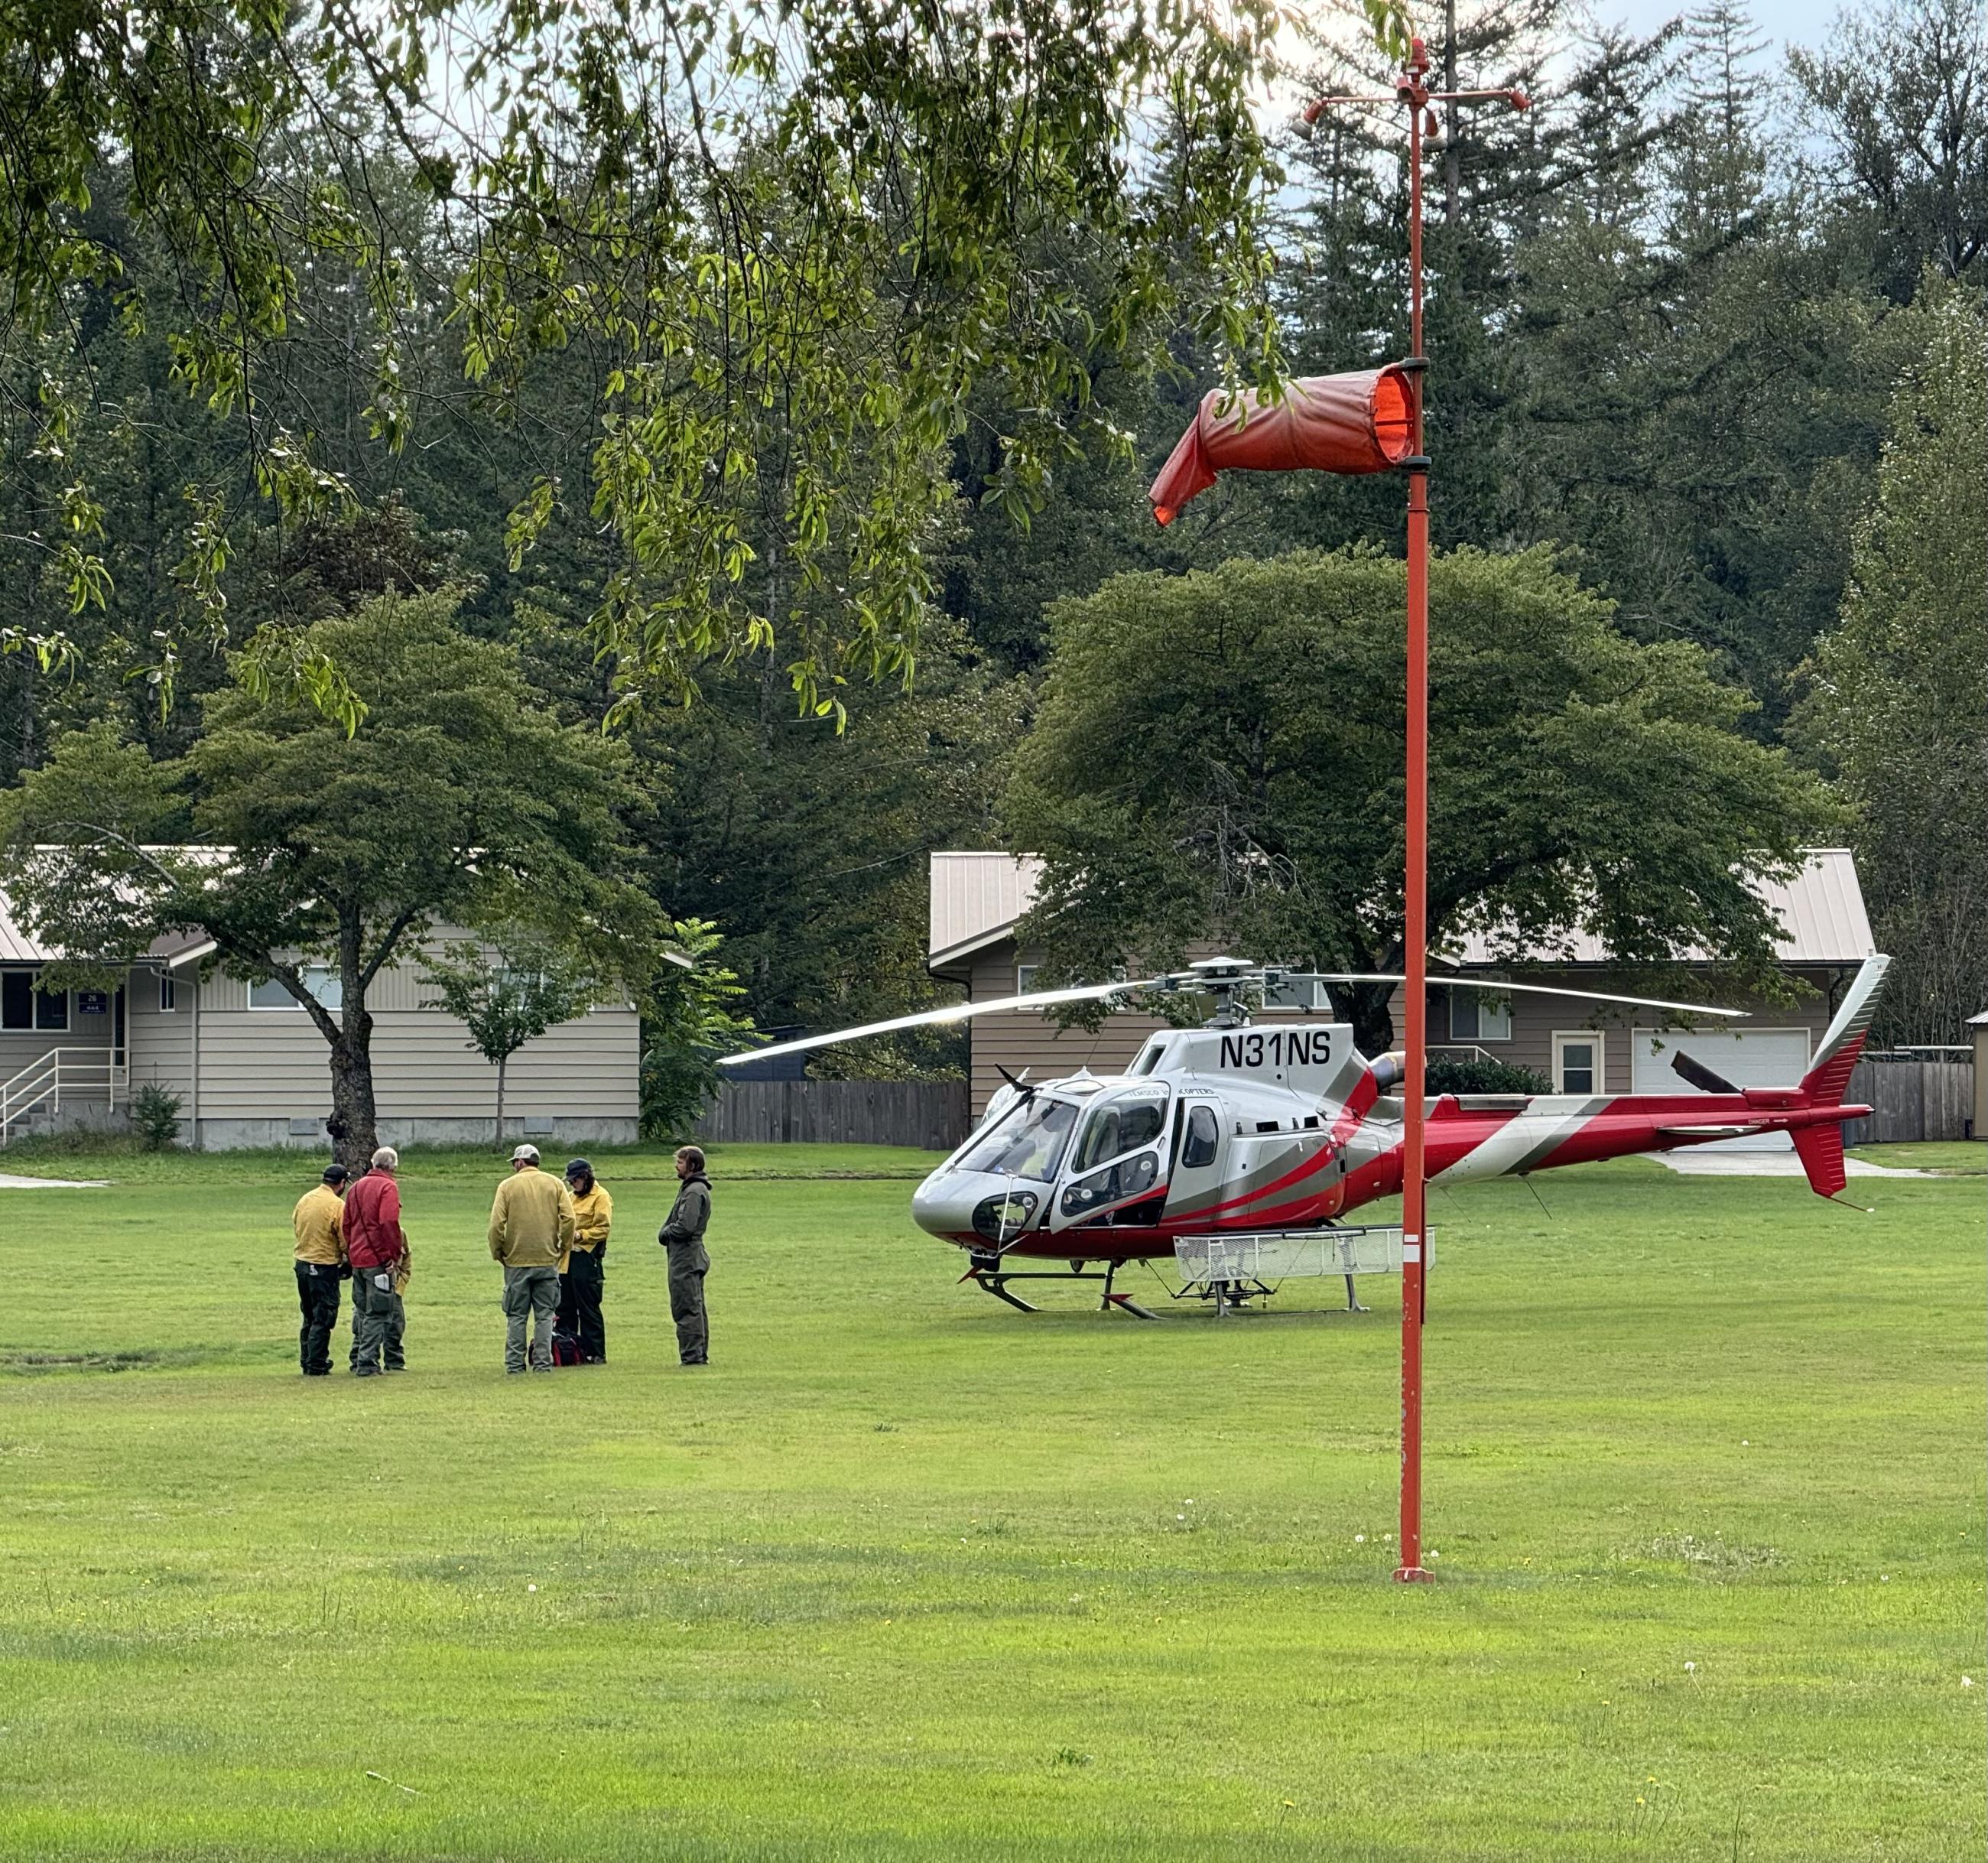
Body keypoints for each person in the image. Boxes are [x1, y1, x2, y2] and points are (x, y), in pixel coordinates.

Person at [488, 1143, 575, 1374]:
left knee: (516, 1316)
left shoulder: (507, 1186)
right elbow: (569, 1219)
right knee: (545, 1316)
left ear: (519, 1162)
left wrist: (499, 1252)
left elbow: (496, 1225)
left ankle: (515, 1365)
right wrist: (563, 1246)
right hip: (547, 1259)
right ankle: (543, 1364)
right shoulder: (556, 1184)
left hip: (516, 1260)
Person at [343, 1146, 408, 1377]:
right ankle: (368, 1363)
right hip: (377, 1260)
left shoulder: (356, 1187)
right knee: (378, 1312)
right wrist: (392, 1256)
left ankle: (356, 1358)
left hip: (358, 1259)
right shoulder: (388, 1187)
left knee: (361, 1310)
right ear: (393, 1167)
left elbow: (347, 1224)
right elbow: (389, 1222)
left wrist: (353, 1250)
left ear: (373, 1163)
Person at [291, 1163, 349, 1377]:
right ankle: (317, 1363)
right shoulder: (336, 1205)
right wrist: (349, 1260)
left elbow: (296, 1223)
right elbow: (344, 1238)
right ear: (341, 1183)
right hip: (324, 1266)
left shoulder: (305, 1199)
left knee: (308, 1314)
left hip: (302, 1264)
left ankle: (306, 1360)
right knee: (323, 1316)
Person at [658, 1145, 712, 1367]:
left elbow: (685, 1226)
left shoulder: (693, 1191)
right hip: (689, 1255)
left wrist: (666, 1232)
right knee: (695, 1306)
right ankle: (698, 1354)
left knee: (686, 1306)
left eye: (680, 1162)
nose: (676, 1166)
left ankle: (692, 1357)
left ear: (692, 1165)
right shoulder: (693, 1188)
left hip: (686, 1256)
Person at [557, 1158, 612, 1364]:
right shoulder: (570, 1197)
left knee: (588, 1306)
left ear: (586, 1177)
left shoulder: (601, 1197)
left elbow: (603, 1228)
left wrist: (581, 1235)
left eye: (575, 1180)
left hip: (586, 1257)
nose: (572, 1184)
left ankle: (595, 1352)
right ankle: (569, 1349)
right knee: (564, 1306)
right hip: (566, 1258)